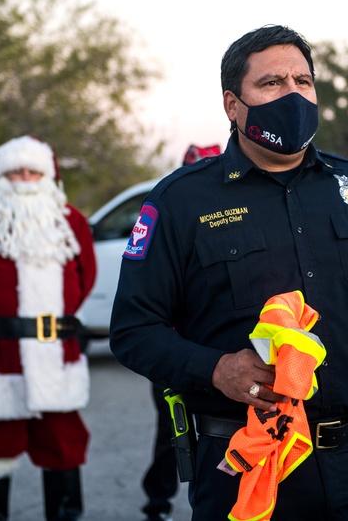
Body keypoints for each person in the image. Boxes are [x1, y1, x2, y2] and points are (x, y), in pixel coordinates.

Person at [109, 24, 348, 520]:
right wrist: (217, 370)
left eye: (303, 81)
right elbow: (134, 331)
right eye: (272, 83)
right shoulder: (181, 201)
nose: (293, 94)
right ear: (232, 104)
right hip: (248, 464)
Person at [0, 136, 98, 521]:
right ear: (1, 176)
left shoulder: (72, 221)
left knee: (63, 441)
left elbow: (86, 276)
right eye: (15, 171)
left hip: (57, 352)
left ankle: (65, 514)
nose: (25, 179)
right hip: (0, 353)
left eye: (33, 171)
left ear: (47, 176)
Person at [138, 143, 224, 521]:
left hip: (220, 357)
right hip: (177, 356)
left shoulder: (231, 217)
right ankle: (157, 504)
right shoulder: (169, 215)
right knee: (170, 435)